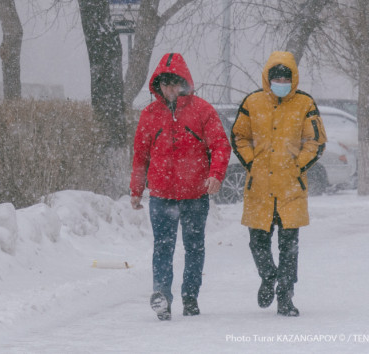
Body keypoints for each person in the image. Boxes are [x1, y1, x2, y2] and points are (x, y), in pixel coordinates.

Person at [130, 53, 231, 321]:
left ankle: (190, 295)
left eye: (174, 84)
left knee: (194, 246)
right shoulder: (149, 115)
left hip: (196, 194)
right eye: (165, 84)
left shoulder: (202, 110)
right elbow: (140, 155)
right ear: (158, 85)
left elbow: (220, 145)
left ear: (184, 83)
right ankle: (162, 295)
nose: (170, 90)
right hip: (162, 195)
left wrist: (216, 174)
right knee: (163, 247)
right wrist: (136, 189)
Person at [230, 51, 327, 317]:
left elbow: (316, 141)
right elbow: (239, 136)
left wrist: (297, 167)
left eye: (286, 76)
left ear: (293, 77)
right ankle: (268, 276)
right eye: (277, 77)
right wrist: (252, 162)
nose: (282, 81)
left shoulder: (305, 103)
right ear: (268, 78)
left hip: (291, 189)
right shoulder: (252, 102)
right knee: (257, 244)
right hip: (258, 187)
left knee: (289, 248)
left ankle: (285, 296)